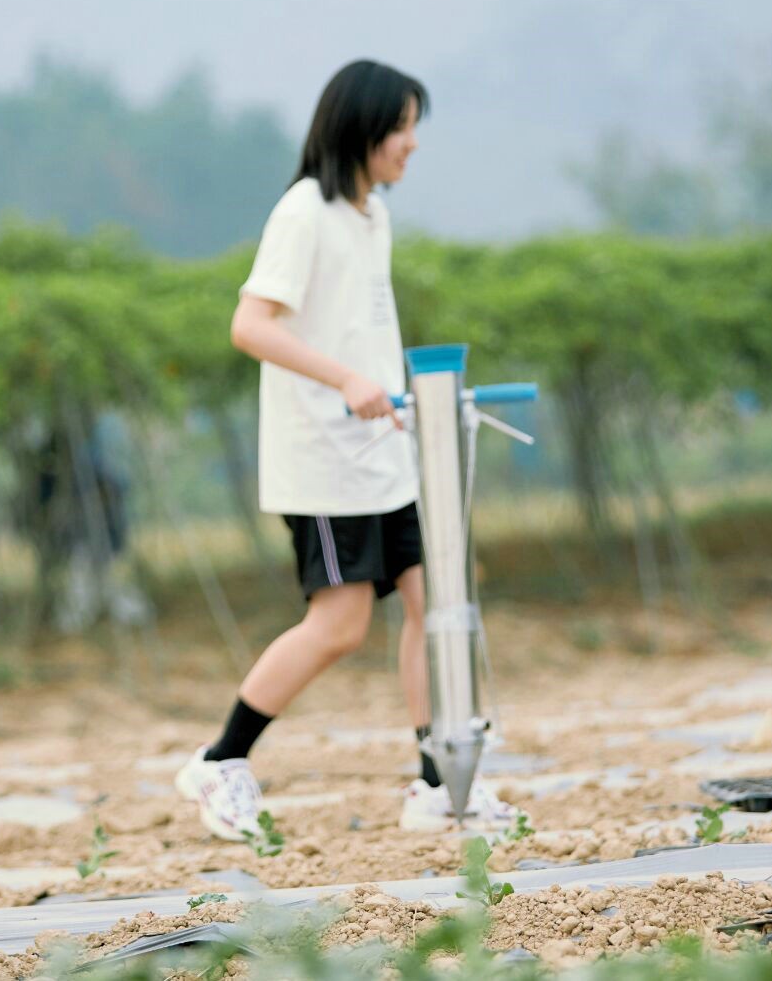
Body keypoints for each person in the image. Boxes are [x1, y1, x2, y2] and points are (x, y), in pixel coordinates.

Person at [175, 60, 521, 837]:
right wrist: (345, 382)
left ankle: (438, 786)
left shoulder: (372, 215)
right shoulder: (305, 213)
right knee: (340, 625)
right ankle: (220, 760)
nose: (412, 144)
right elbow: (251, 325)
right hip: (325, 462)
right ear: (359, 131)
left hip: (384, 457)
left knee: (436, 609)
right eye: (400, 128)